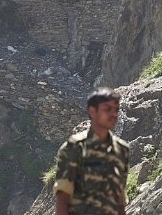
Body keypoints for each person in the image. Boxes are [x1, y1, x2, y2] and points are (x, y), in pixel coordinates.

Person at [53, 87, 129, 215]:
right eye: (107, 109)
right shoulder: (74, 148)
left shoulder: (121, 150)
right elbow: (63, 198)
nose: (113, 114)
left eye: (116, 110)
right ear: (92, 111)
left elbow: (120, 200)